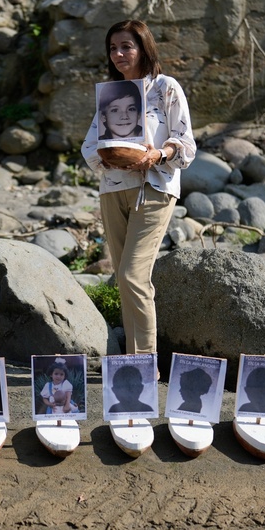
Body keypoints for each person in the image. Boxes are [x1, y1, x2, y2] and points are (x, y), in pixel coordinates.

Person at [81, 20, 196, 362]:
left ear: (144, 47)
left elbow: (186, 142)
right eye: (113, 48)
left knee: (134, 274)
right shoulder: (112, 93)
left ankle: (145, 365)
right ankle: (131, 363)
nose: (118, 54)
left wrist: (157, 154)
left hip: (155, 188)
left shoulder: (165, 87)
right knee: (123, 278)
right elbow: (90, 146)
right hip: (112, 190)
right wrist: (112, 160)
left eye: (126, 46)